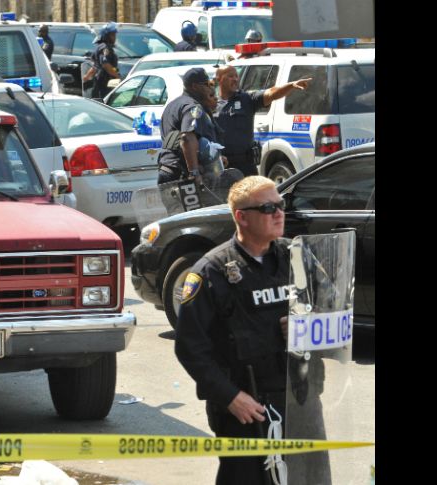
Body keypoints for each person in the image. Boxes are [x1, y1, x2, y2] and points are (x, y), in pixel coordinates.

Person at [175, 175, 290, 485]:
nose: (279, 213)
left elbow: (329, 310)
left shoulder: (295, 257)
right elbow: (190, 346)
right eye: (268, 208)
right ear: (242, 216)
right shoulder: (211, 271)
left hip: (298, 399)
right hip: (245, 406)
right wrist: (230, 397)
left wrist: (305, 327)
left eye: (280, 205)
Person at [214, 66, 311, 176]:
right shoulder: (210, 103)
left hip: (246, 167)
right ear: (218, 79)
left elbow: (271, 93)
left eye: (236, 76)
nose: (235, 79)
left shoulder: (247, 99)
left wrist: (290, 85)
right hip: (221, 166)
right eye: (230, 76)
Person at [157, 67, 221, 188]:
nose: (210, 88)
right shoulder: (193, 107)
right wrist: (194, 172)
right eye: (206, 84)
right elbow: (187, 138)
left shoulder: (173, 105)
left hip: (167, 171)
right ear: (195, 86)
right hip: (183, 176)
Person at [82, 22, 120, 100]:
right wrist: (117, 75)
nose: (114, 37)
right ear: (106, 36)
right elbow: (105, 64)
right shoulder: (105, 48)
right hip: (106, 82)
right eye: (112, 35)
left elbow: (95, 66)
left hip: (102, 82)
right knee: (107, 102)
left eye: (114, 35)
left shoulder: (100, 47)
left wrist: (86, 77)